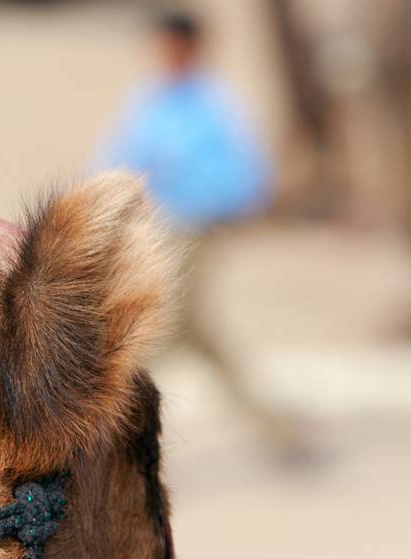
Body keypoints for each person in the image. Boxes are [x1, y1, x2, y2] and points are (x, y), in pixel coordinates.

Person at [99, 10, 308, 458]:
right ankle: (278, 426)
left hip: (194, 228)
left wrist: (212, 199)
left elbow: (245, 173)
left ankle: (109, 433)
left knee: (167, 328)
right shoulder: (150, 100)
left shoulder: (213, 105)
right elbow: (116, 158)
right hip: (154, 231)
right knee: (193, 333)